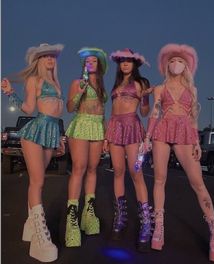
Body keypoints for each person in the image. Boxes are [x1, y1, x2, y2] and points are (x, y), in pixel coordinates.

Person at [145, 43, 214, 262]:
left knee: (197, 182)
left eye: (179, 61)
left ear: (186, 65)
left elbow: (193, 118)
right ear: (166, 66)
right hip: (163, 130)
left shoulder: (192, 90)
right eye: (171, 61)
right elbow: (155, 113)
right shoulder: (160, 89)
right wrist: (147, 138)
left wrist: (197, 142)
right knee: (159, 179)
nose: (175, 64)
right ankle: (158, 227)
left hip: (185, 133)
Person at [1, 43, 64, 262]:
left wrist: (59, 139)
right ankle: (38, 234)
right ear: (38, 61)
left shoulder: (55, 82)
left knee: (39, 182)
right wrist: (10, 93)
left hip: (51, 131)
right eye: (45, 56)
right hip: (35, 131)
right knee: (37, 182)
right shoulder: (34, 80)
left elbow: (57, 110)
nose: (50, 59)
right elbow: (28, 108)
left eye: (52, 56)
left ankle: (29, 225)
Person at [104, 48, 153, 252]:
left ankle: (146, 224)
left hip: (132, 126)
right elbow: (112, 110)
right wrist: (106, 136)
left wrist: (144, 98)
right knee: (118, 171)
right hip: (115, 127)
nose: (125, 64)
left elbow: (144, 111)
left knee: (136, 171)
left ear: (135, 64)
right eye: (122, 61)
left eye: (128, 61)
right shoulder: (116, 84)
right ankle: (121, 218)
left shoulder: (142, 83)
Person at [65, 47, 108, 247]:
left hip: (98, 126)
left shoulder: (101, 85)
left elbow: (103, 111)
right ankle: (71, 217)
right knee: (79, 167)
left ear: (99, 65)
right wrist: (79, 92)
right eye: (88, 61)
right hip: (81, 123)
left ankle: (88, 213)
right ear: (84, 65)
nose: (90, 63)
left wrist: (106, 135)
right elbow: (69, 107)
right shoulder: (77, 82)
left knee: (92, 169)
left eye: (94, 61)